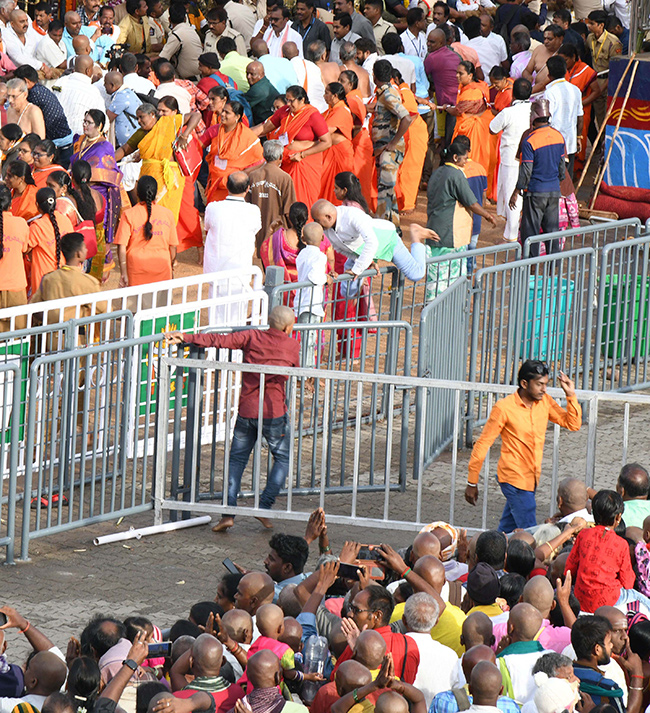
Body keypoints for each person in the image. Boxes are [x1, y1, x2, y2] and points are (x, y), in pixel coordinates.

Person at [165, 304, 300, 532]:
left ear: (269, 322)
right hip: (273, 412)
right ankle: (264, 507)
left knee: (237, 460)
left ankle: (228, 514)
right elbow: (298, 370)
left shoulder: (251, 336)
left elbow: (219, 340)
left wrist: (185, 337)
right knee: (283, 459)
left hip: (247, 410)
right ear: (288, 327)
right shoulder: (292, 345)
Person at [466, 359, 581, 532]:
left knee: (507, 528)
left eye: (546, 384)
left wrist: (570, 394)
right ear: (524, 383)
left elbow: (573, 423)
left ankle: (492, 553)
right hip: (514, 479)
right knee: (529, 533)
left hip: (532, 478)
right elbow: (483, 443)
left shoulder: (545, 402)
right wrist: (472, 482)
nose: (544, 389)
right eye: (540, 384)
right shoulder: (504, 408)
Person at [116, 98, 202, 256]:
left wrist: (185, 134)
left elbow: (196, 116)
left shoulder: (170, 122)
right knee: (148, 214)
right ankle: (151, 247)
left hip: (169, 179)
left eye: (142, 117)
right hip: (148, 179)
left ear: (152, 115)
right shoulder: (141, 133)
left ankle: (169, 253)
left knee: (167, 215)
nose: (139, 121)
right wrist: (106, 160)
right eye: (137, 118)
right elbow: (125, 149)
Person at [311, 199, 430, 299]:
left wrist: (357, 269)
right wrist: (369, 261)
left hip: (387, 240)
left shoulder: (352, 216)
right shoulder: (327, 229)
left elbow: (372, 242)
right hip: (361, 253)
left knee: (416, 274)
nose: (315, 223)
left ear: (328, 216)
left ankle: (416, 236)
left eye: (317, 220)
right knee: (347, 292)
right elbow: (341, 249)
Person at [425, 137, 495, 297]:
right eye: (464, 159)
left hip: (434, 230)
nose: (466, 162)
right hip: (451, 236)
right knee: (451, 280)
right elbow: (471, 202)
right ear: (456, 158)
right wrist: (487, 215)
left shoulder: (437, 172)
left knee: (435, 278)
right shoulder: (456, 174)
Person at [253, 85, 331, 214]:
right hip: (285, 161)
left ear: (302, 100)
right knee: (284, 198)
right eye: (287, 100)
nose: (288, 104)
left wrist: (302, 154)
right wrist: (243, 135)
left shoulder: (313, 115)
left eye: (291, 100)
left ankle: (305, 229)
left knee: (301, 200)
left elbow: (327, 142)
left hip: (304, 163)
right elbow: (265, 128)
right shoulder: (285, 111)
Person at [70, 109, 125, 281]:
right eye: (84, 121)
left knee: (97, 234)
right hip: (78, 190)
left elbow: (108, 174)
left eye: (89, 122)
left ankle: (100, 273)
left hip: (97, 196)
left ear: (100, 126)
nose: (85, 125)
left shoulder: (104, 147)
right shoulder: (81, 141)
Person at [509, 98, 566, 257]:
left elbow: (526, 170)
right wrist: (556, 182)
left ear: (533, 117)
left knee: (531, 234)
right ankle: (553, 270)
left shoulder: (530, 140)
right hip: (554, 191)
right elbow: (562, 168)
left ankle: (530, 270)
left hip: (535, 193)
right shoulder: (558, 136)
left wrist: (517, 190)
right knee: (552, 233)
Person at [203, 171, 261, 325]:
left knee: (215, 319)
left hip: (217, 271)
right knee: (237, 320)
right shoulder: (253, 211)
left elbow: (207, 226)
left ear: (227, 186)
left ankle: (215, 348)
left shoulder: (213, 208)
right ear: (247, 188)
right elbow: (256, 229)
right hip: (240, 273)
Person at [489, 77, 532, 243]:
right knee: (524, 198)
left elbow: (492, 129)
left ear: (513, 94)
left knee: (512, 199)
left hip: (511, 161)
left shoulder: (508, 112)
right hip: (531, 160)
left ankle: (512, 237)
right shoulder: (534, 109)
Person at [114, 176, 177, 289]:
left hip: (136, 271)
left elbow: (121, 246)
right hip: (162, 268)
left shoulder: (128, 214)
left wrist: (124, 272)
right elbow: (173, 248)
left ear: (137, 194)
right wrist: (170, 267)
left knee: (135, 305)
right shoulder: (168, 214)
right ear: (156, 194)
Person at [372, 59, 413, 229]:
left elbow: (407, 118)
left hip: (388, 149)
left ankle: (384, 229)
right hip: (385, 149)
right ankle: (394, 228)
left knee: (384, 192)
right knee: (388, 191)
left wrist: (392, 143)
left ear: (374, 76)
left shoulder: (388, 94)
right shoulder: (387, 92)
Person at [29, 232, 101, 325]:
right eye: (85, 248)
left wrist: (52, 319)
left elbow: (34, 307)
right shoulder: (88, 282)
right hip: (76, 336)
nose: (87, 250)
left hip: (52, 335)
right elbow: (104, 308)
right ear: (78, 254)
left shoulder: (48, 279)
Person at [199, 100, 263, 204]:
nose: (222, 114)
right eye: (223, 111)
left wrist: (241, 175)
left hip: (234, 187)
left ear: (237, 117)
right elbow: (198, 146)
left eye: (227, 113)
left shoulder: (247, 136)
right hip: (215, 182)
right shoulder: (214, 130)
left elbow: (260, 162)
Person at [558, 43, 601, 177]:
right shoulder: (562, 70)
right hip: (565, 110)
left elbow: (596, 92)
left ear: (574, 57)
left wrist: (580, 104)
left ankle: (576, 170)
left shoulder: (586, 71)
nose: (563, 63)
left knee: (579, 138)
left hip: (582, 111)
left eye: (565, 60)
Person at [247, 139, 297, 255]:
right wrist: (295, 230)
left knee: (263, 259)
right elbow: (289, 210)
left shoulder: (253, 176)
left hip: (257, 229)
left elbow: (247, 203)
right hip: (277, 230)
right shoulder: (285, 178)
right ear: (280, 156)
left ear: (264, 155)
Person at [444, 61, 491, 180]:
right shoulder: (476, 85)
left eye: (461, 73)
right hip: (471, 127)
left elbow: (458, 111)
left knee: (471, 158)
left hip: (473, 130)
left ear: (470, 76)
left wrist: (447, 108)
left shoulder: (473, 92)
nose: (457, 76)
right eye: (457, 73)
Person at [293, 221, 331, 366]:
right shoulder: (320, 256)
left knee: (306, 338)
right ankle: (305, 372)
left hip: (302, 300)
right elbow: (315, 277)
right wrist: (326, 278)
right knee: (309, 340)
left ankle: (305, 371)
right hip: (312, 303)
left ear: (303, 239)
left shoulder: (302, 253)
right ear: (322, 239)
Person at [393, 68, 428, 215]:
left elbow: (411, 116)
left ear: (394, 79)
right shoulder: (403, 90)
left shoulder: (404, 92)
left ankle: (408, 204)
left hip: (414, 134)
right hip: (409, 133)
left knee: (410, 169)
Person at [27, 187, 75, 294]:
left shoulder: (37, 226)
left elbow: (25, 248)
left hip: (43, 284)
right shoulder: (66, 220)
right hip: (64, 278)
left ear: (37, 205)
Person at [544, 56, 583, 178]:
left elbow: (547, 119)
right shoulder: (575, 90)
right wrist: (578, 137)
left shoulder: (550, 92)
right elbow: (580, 117)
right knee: (567, 178)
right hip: (570, 142)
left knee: (555, 178)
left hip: (554, 143)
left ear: (549, 74)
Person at [585, 10, 622, 129]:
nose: (588, 26)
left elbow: (616, 70)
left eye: (591, 23)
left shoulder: (613, 42)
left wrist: (602, 88)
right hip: (595, 82)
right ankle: (601, 144)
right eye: (588, 22)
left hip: (608, 84)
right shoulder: (590, 38)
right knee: (599, 118)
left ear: (601, 25)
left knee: (609, 117)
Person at [319, 82, 354, 205]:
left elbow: (325, 131)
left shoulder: (341, 111)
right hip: (332, 152)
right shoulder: (332, 110)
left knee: (339, 185)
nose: (324, 96)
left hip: (340, 154)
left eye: (326, 93)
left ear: (334, 96)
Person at [54, 56, 105, 138]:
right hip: (78, 139)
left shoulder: (60, 82)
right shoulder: (93, 91)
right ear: (88, 71)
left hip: (55, 134)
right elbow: (103, 122)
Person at [0, 184, 29, 330]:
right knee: (18, 338)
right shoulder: (21, 224)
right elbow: (24, 248)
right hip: (16, 289)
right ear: (10, 204)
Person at [159, 4, 202, 81]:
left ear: (169, 20)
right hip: (198, 76)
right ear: (185, 19)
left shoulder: (176, 35)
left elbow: (162, 58)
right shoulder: (191, 30)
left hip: (188, 80)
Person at [283, 42, 326, 113]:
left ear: (283, 55)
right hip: (323, 107)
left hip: (306, 111)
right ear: (298, 52)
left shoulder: (288, 67)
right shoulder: (313, 66)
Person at [522, 25, 565, 94]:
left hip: (552, 94)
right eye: (544, 38)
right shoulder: (539, 49)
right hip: (534, 92)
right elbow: (527, 71)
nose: (546, 42)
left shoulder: (564, 54)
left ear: (560, 39)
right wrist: (528, 77)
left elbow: (542, 84)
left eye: (550, 39)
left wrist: (525, 94)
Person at [105, 72, 142, 149]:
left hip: (130, 143)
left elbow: (108, 118)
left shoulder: (121, 96)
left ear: (112, 85)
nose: (104, 86)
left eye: (105, 83)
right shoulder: (128, 92)